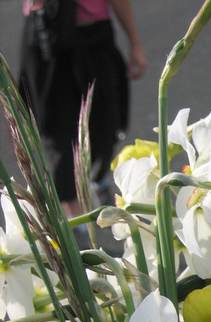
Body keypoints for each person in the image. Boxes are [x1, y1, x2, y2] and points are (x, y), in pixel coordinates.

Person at [19, 0, 146, 217]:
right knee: (58, 132)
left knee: (107, 121)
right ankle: (74, 210)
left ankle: (98, 176)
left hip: (94, 38)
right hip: (48, 38)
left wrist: (135, 44)